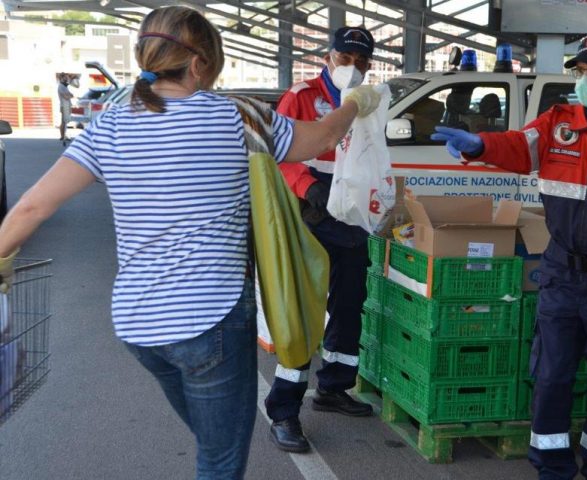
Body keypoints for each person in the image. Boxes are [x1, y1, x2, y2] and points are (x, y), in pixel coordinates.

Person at [0, 6, 379, 479]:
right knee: (219, 459)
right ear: (200, 64)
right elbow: (320, 136)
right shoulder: (238, 117)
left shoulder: (109, 127)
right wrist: (355, 104)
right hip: (210, 322)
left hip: (139, 327)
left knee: (211, 437)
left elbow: (33, 207)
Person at [432, 31, 587, 480]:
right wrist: (480, 146)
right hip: (561, 277)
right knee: (550, 379)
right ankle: (552, 468)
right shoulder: (557, 122)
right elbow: (517, 147)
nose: (586, 80)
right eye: (581, 72)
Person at [263, 25, 376, 453]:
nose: (353, 67)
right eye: (345, 58)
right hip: (308, 216)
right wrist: (307, 187)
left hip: (349, 219)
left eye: (361, 61)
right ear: (329, 56)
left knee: (348, 307)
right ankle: (285, 411)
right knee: (302, 315)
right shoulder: (303, 96)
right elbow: (278, 148)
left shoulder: (364, 101)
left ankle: (333, 386)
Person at [57, 74, 74, 145]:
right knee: (63, 121)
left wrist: (69, 95)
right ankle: (62, 136)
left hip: (67, 105)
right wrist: (69, 95)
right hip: (64, 105)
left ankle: (64, 135)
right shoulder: (60, 86)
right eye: (65, 77)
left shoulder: (64, 86)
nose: (66, 79)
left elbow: (71, 94)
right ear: (62, 78)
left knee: (65, 121)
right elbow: (66, 96)